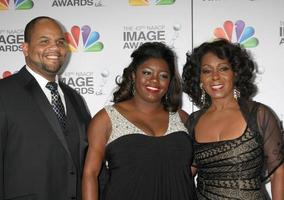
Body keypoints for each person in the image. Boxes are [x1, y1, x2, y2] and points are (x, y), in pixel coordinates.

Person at [0, 16, 91, 200]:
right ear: (25, 48)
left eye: (60, 42)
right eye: (44, 41)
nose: (55, 48)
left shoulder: (75, 99)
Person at [82, 42, 196, 200]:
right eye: (147, 73)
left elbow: (193, 165)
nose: (155, 80)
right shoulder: (106, 119)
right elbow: (90, 174)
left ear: (170, 81)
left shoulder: (182, 118)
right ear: (134, 75)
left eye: (163, 75)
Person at [182, 39, 284, 200]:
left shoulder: (259, 115)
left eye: (223, 69)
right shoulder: (193, 121)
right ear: (199, 78)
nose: (215, 77)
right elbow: (184, 175)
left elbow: (279, 172)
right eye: (207, 71)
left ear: (235, 73)